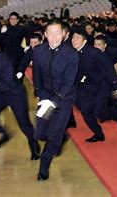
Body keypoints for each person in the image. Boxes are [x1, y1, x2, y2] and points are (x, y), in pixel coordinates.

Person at [0, 33, 40, 160]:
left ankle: (34, 144)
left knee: (24, 124)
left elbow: (8, 82)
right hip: (1, 93)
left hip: (15, 93)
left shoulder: (4, 61)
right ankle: (4, 134)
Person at [32, 20, 79, 181]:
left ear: (64, 34)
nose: (54, 37)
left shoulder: (71, 54)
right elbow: (37, 74)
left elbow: (69, 82)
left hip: (64, 99)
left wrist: (54, 100)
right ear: (45, 35)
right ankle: (62, 138)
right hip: (45, 95)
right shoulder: (38, 51)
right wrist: (39, 93)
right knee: (40, 133)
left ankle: (44, 169)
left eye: (57, 33)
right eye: (50, 33)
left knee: (53, 136)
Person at [72, 29, 117, 142]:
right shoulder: (75, 52)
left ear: (84, 41)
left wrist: (116, 85)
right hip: (88, 84)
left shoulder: (93, 52)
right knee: (85, 111)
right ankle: (99, 134)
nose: (74, 40)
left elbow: (108, 66)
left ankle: (115, 113)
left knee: (99, 113)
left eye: (78, 38)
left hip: (102, 84)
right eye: (73, 37)